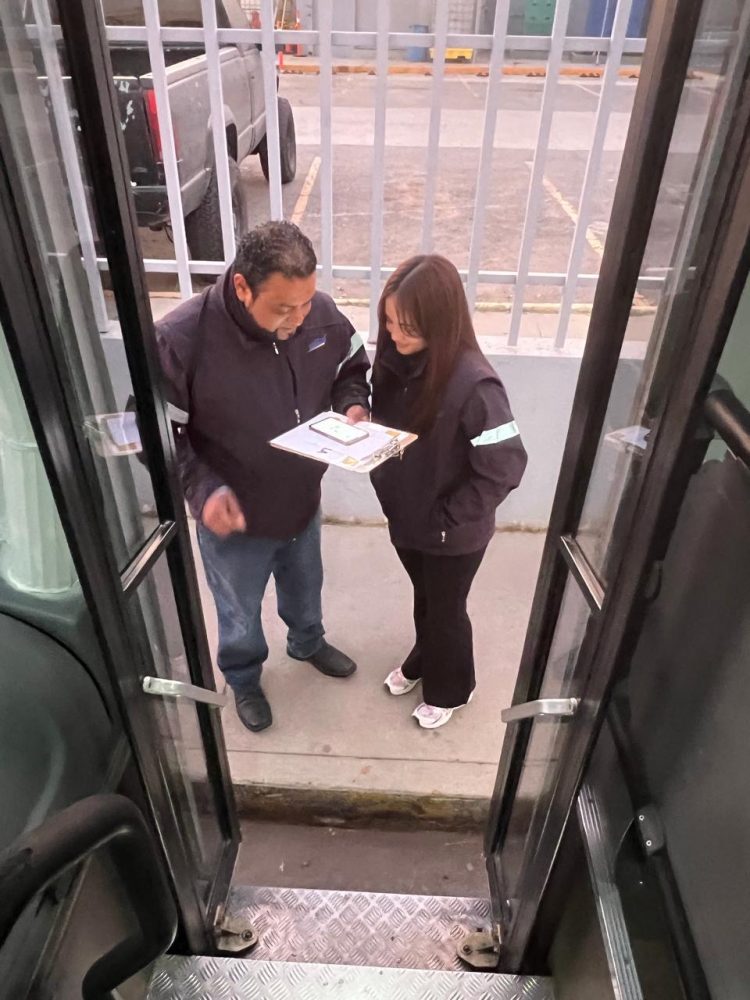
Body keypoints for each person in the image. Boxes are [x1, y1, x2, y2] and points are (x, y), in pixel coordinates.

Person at [156, 222, 370, 733]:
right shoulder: (181, 339)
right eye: (283, 309)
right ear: (242, 287)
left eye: (306, 303)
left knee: (306, 585)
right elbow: (159, 433)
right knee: (239, 610)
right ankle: (244, 677)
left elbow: (350, 365)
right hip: (234, 516)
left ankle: (307, 641)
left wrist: (353, 405)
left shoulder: (319, 313)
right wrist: (204, 491)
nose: (299, 319)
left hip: (301, 500)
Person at [370, 255, 527, 730]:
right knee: (427, 597)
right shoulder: (396, 360)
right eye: (389, 321)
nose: (394, 335)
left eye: (407, 328)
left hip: (451, 532)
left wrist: (445, 516)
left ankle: (453, 688)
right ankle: (425, 656)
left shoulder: (476, 386)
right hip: (407, 516)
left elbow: (505, 466)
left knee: (446, 609)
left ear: (440, 324)